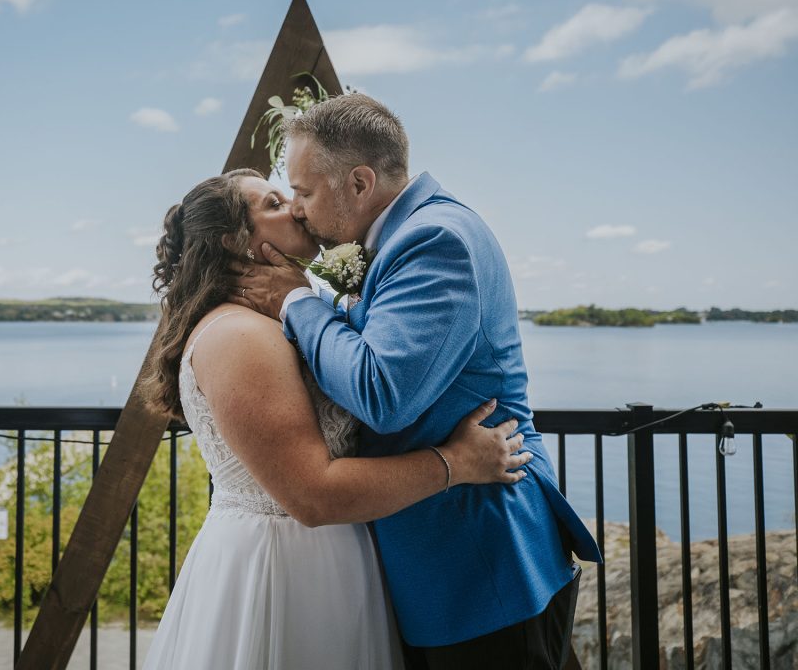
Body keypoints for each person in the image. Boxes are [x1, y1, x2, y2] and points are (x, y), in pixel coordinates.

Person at [230, 93, 602, 669]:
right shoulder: (407, 235)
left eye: (304, 191)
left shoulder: (436, 240)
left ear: (358, 182)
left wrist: (299, 303)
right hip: (445, 565)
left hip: (480, 567)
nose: (298, 209)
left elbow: (383, 393)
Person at [140, 168, 532, 669]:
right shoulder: (240, 336)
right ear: (237, 241)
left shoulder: (276, 320)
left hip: (330, 561)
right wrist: (456, 462)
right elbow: (312, 493)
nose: (297, 208)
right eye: (275, 204)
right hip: (283, 570)